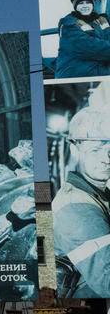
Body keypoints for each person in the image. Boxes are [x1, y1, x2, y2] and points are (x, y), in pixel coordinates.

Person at [52, 106, 110, 298]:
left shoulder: (99, 193)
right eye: (95, 150)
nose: (106, 159)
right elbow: (107, 281)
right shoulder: (74, 207)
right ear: (75, 151)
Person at [55, 0, 110, 79]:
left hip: (98, 69)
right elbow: (90, 47)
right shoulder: (68, 24)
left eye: (88, 2)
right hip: (76, 74)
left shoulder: (102, 20)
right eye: (80, 3)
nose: (85, 6)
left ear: (93, 4)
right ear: (75, 6)